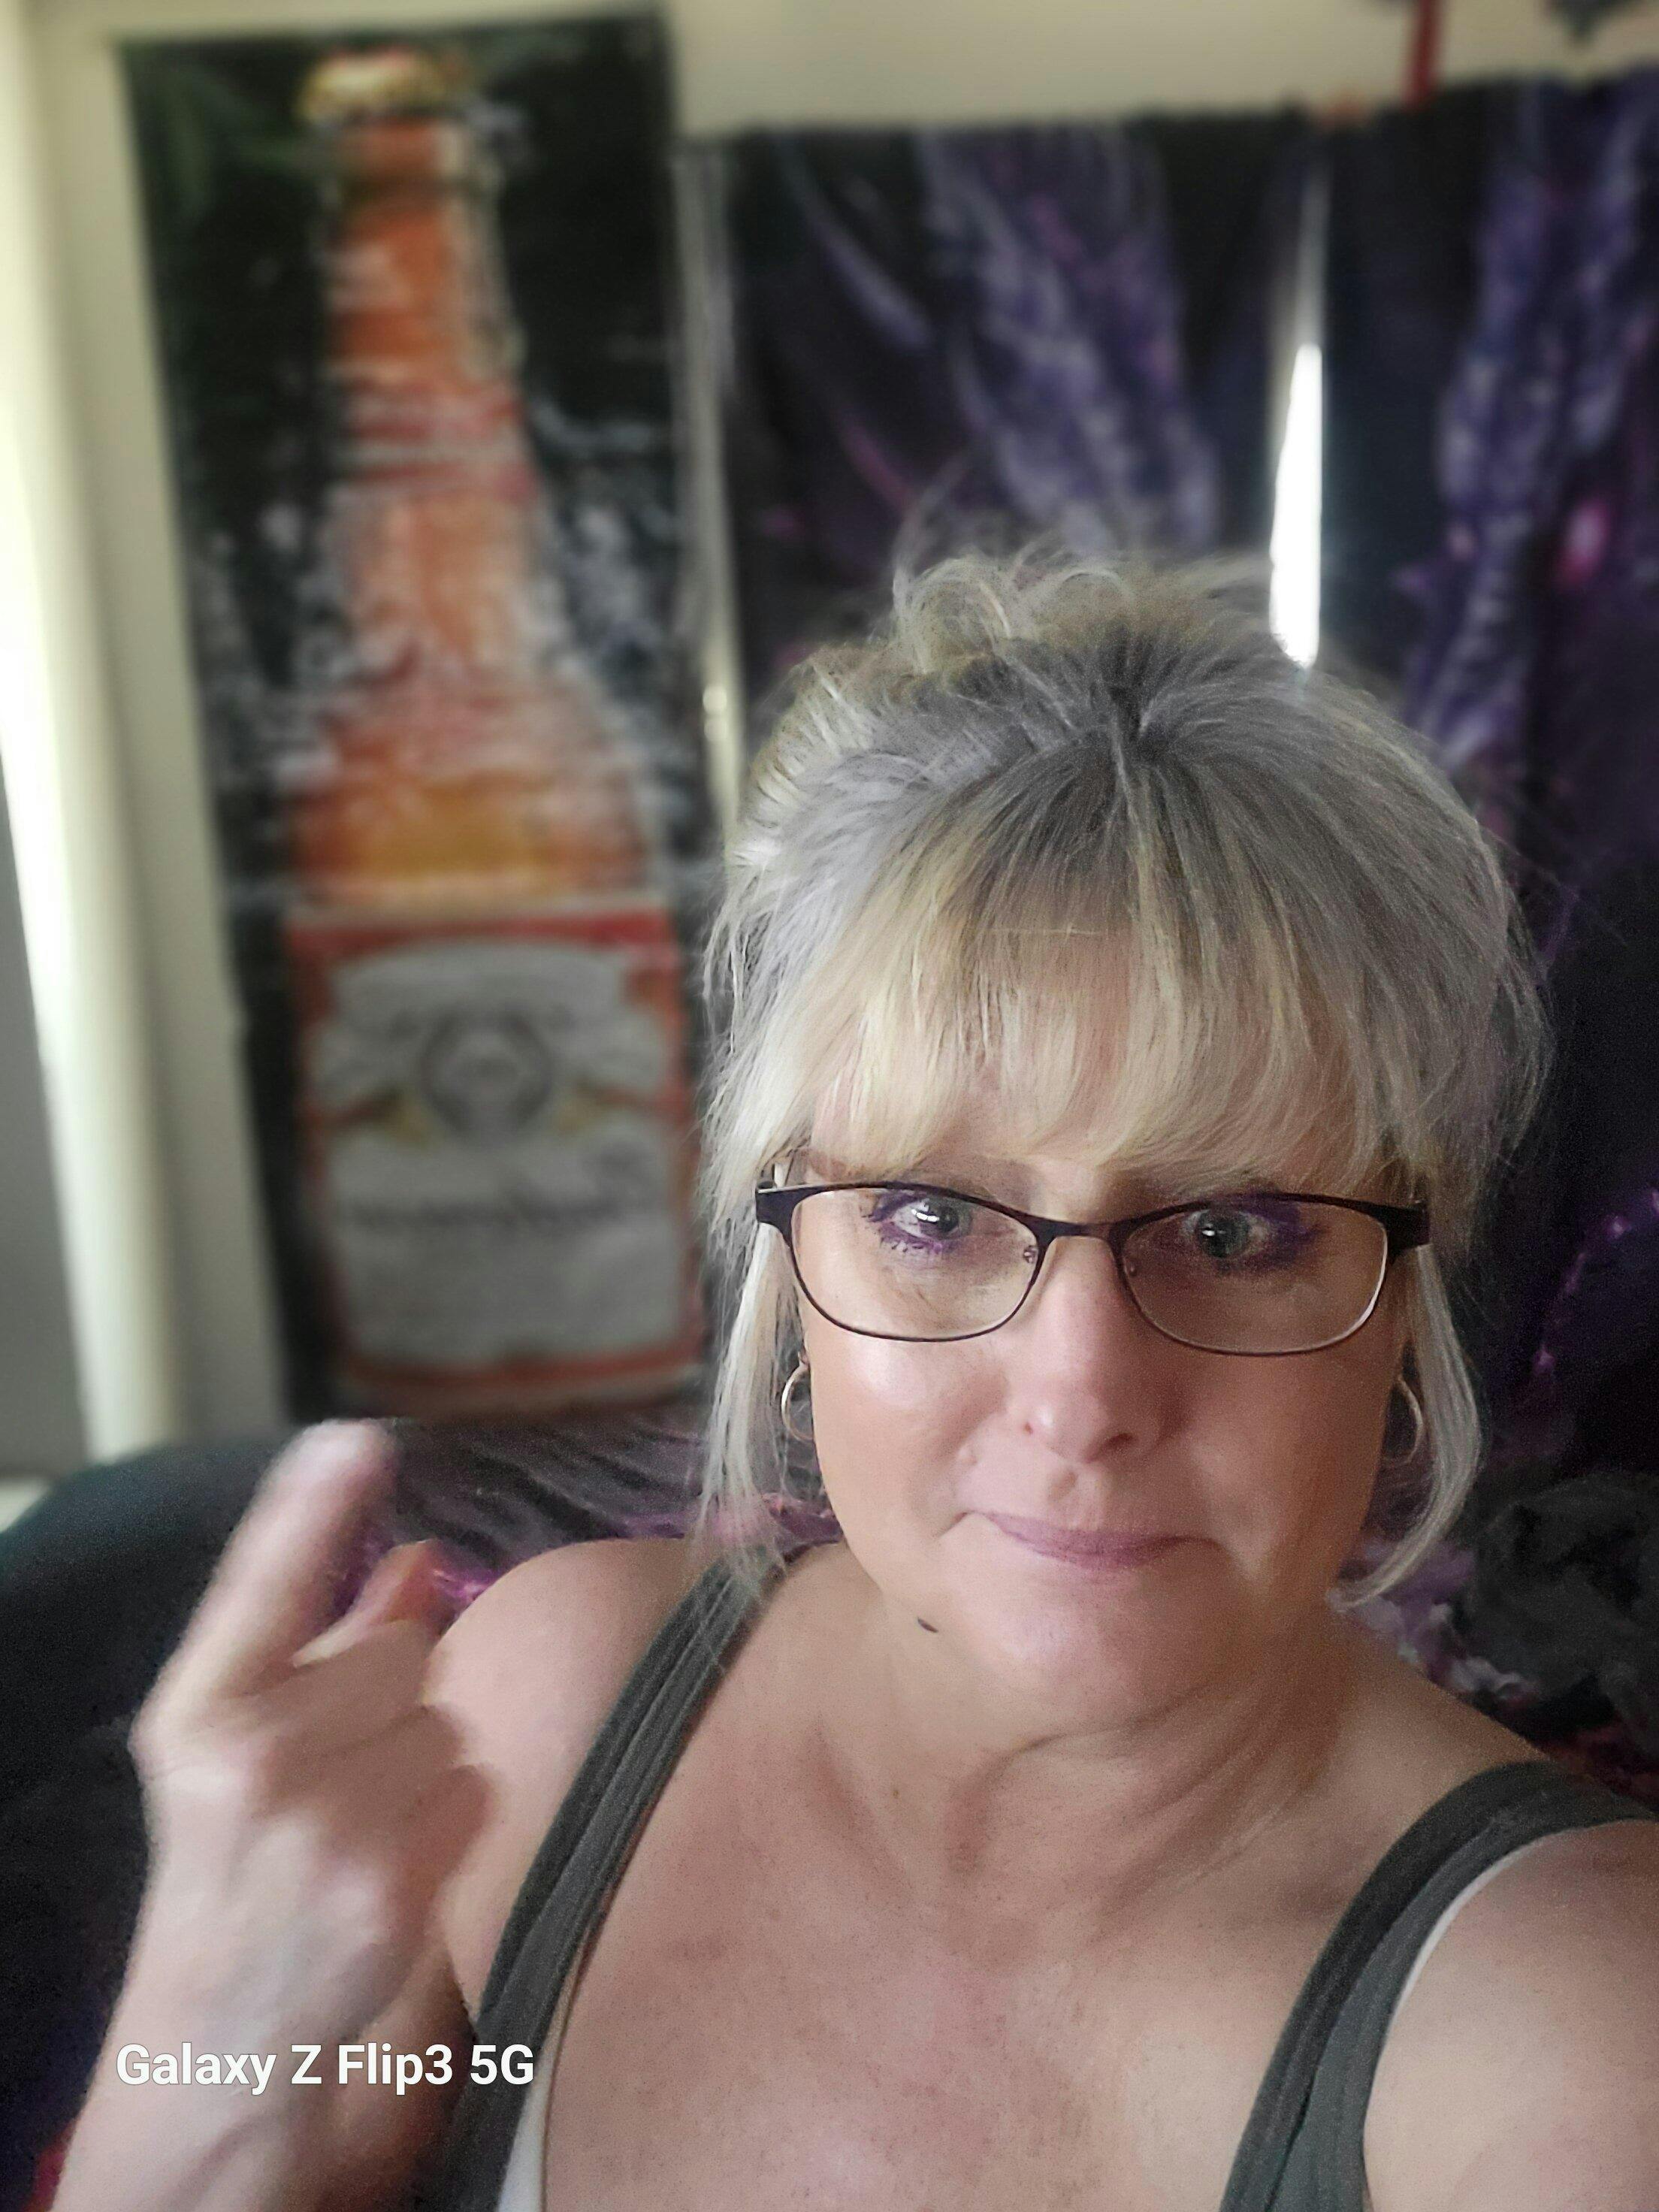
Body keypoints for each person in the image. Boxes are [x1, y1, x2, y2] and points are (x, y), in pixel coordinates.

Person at [54, 554, 1659, 2212]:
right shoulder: (547, 1710)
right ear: (791, 1255)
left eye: (1232, 1230)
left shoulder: (1580, 2035)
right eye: (935, 1217)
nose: (1079, 1395)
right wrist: (208, 2029)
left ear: (1401, 1298)